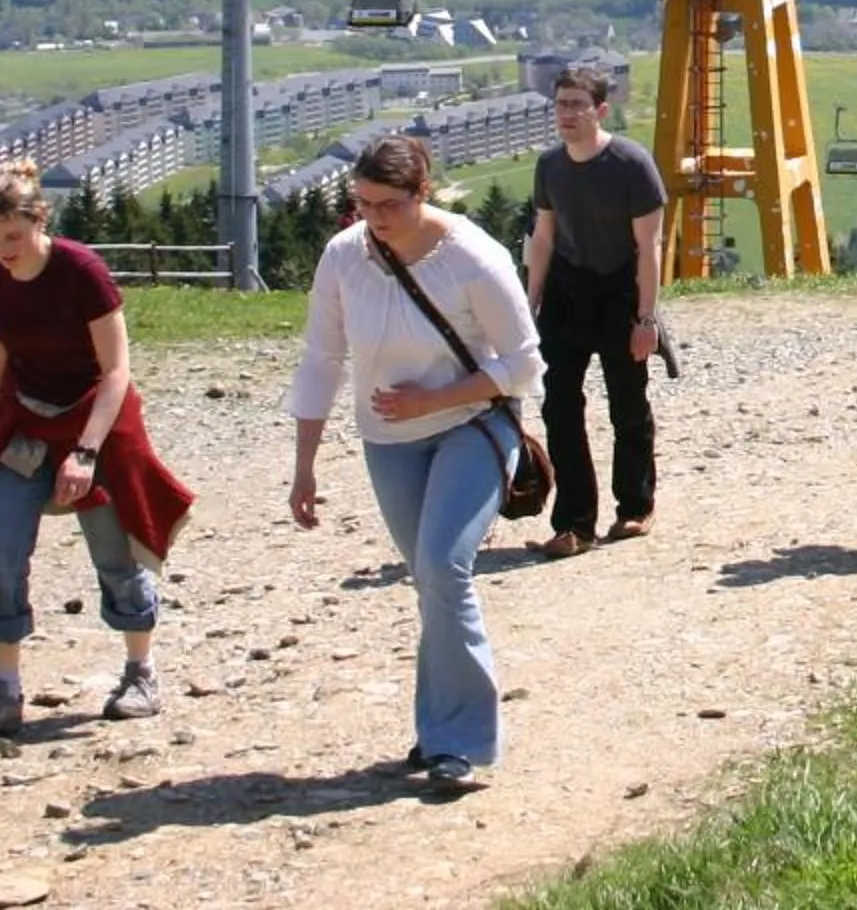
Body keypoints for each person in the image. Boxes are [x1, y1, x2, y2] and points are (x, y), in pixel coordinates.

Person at [285, 134, 544, 795]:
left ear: (421, 194)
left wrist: (435, 397)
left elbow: (522, 365)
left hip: (473, 426)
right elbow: (321, 359)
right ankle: (438, 729)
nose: (373, 218)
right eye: (361, 203)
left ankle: (460, 741)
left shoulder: (472, 258)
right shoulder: (344, 257)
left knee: (442, 566)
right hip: (388, 441)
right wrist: (305, 465)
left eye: (388, 205)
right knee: (428, 581)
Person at [0, 160, 192, 742]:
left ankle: (141, 672)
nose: (2, 249)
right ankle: (4, 689)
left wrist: (85, 453)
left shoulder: (82, 270)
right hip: (26, 420)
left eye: (12, 236)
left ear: (39, 222)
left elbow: (115, 371)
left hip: (96, 419)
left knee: (114, 550)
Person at [522, 65, 666, 558]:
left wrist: (646, 319)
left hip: (620, 292)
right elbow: (543, 236)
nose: (567, 114)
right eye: (560, 104)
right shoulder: (549, 166)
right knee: (559, 407)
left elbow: (649, 248)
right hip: (566, 291)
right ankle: (575, 523)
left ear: (601, 110)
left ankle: (635, 506)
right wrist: (529, 303)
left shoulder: (631, 163)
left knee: (627, 404)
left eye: (577, 105)